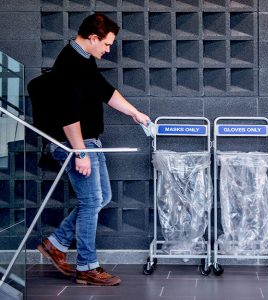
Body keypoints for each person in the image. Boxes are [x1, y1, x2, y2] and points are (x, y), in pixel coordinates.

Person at [36, 12, 150, 286]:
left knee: (101, 197)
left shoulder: (84, 60)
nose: (109, 49)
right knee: (90, 202)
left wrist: (135, 114)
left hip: (88, 142)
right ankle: (87, 266)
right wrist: (80, 152)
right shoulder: (70, 64)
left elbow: (105, 91)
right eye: (108, 44)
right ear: (93, 38)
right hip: (77, 143)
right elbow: (68, 114)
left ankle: (56, 244)